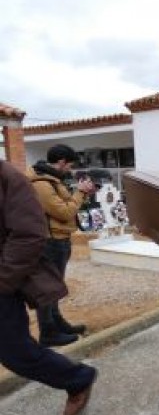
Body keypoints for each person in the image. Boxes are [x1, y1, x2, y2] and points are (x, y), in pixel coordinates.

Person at [0, 160, 97, 415]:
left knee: (15, 351)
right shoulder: (46, 183)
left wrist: (4, 281)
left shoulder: (12, 179)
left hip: (15, 274)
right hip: (55, 245)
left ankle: (77, 378)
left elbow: (52, 220)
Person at [26, 144, 95, 347]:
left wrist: (81, 193)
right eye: (70, 165)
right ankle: (47, 332)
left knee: (54, 286)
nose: (70, 170)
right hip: (51, 242)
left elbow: (66, 204)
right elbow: (64, 212)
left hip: (59, 239)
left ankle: (57, 323)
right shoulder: (42, 184)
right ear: (62, 162)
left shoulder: (53, 179)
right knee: (47, 288)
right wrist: (80, 193)